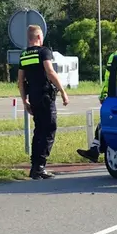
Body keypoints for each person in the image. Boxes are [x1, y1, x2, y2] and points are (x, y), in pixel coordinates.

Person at [77, 32, 117, 163]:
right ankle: (95, 149)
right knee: (105, 122)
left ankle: (96, 149)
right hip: (114, 97)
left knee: (108, 124)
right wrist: (103, 94)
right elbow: (108, 78)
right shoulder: (113, 57)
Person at [17, 25, 70, 179]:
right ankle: (40, 166)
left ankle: (35, 167)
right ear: (39, 37)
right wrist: (63, 92)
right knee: (49, 130)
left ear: (29, 38)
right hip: (46, 97)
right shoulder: (44, 51)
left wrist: (24, 101)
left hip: (33, 97)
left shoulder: (24, 55)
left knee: (38, 131)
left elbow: (20, 81)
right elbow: (50, 72)